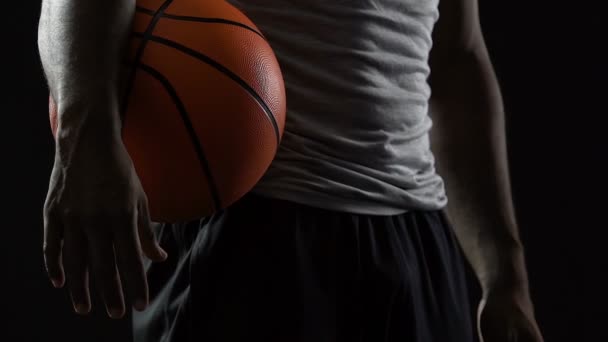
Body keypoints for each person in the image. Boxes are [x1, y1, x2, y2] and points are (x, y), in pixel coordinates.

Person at [37, 0, 544, 341]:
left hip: (417, 240)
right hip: (250, 230)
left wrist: (504, 274)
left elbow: (456, 55)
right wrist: (86, 132)